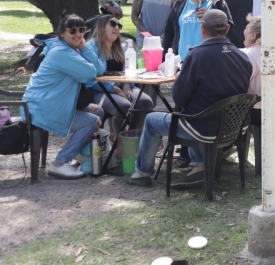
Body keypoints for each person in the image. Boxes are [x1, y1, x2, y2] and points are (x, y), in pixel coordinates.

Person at [125, 10, 252, 188]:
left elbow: (179, 97)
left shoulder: (197, 56)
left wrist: (179, 79)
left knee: (152, 120)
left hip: (203, 128)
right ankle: (198, 165)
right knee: (196, 109)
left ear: (202, 30)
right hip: (235, 127)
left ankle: (141, 173)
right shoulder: (242, 56)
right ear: (228, 29)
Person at [21, 14, 106, 179]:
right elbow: (90, 72)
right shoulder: (61, 52)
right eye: (72, 30)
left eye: (81, 30)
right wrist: (84, 49)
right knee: (92, 121)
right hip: (41, 108)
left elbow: (99, 70)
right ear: (62, 33)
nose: (78, 34)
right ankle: (60, 163)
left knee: (98, 112)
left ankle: (79, 156)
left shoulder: (67, 49)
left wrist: (84, 48)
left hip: (51, 104)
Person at [85, 15, 154, 139]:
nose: (117, 27)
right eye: (112, 24)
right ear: (101, 26)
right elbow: (89, 79)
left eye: (119, 25)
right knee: (123, 106)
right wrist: (116, 89)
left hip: (123, 86)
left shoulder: (122, 46)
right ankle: (119, 144)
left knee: (146, 102)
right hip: (99, 90)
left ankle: (132, 140)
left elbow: (129, 70)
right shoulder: (90, 48)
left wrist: (127, 86)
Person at [163, 0, 233, 62]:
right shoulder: (180, 4)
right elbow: (169, 31)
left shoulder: (217, 3)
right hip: (182, 59)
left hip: (210, 59)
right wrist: (165, 57)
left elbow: (229, 27)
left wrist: (211, 16)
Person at [240, 14, 262, 124]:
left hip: (251, 110)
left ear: (253, 35)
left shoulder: (247, 55)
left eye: (246, 28)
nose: (244, 31)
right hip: (264, 106)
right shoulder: (268, 52)